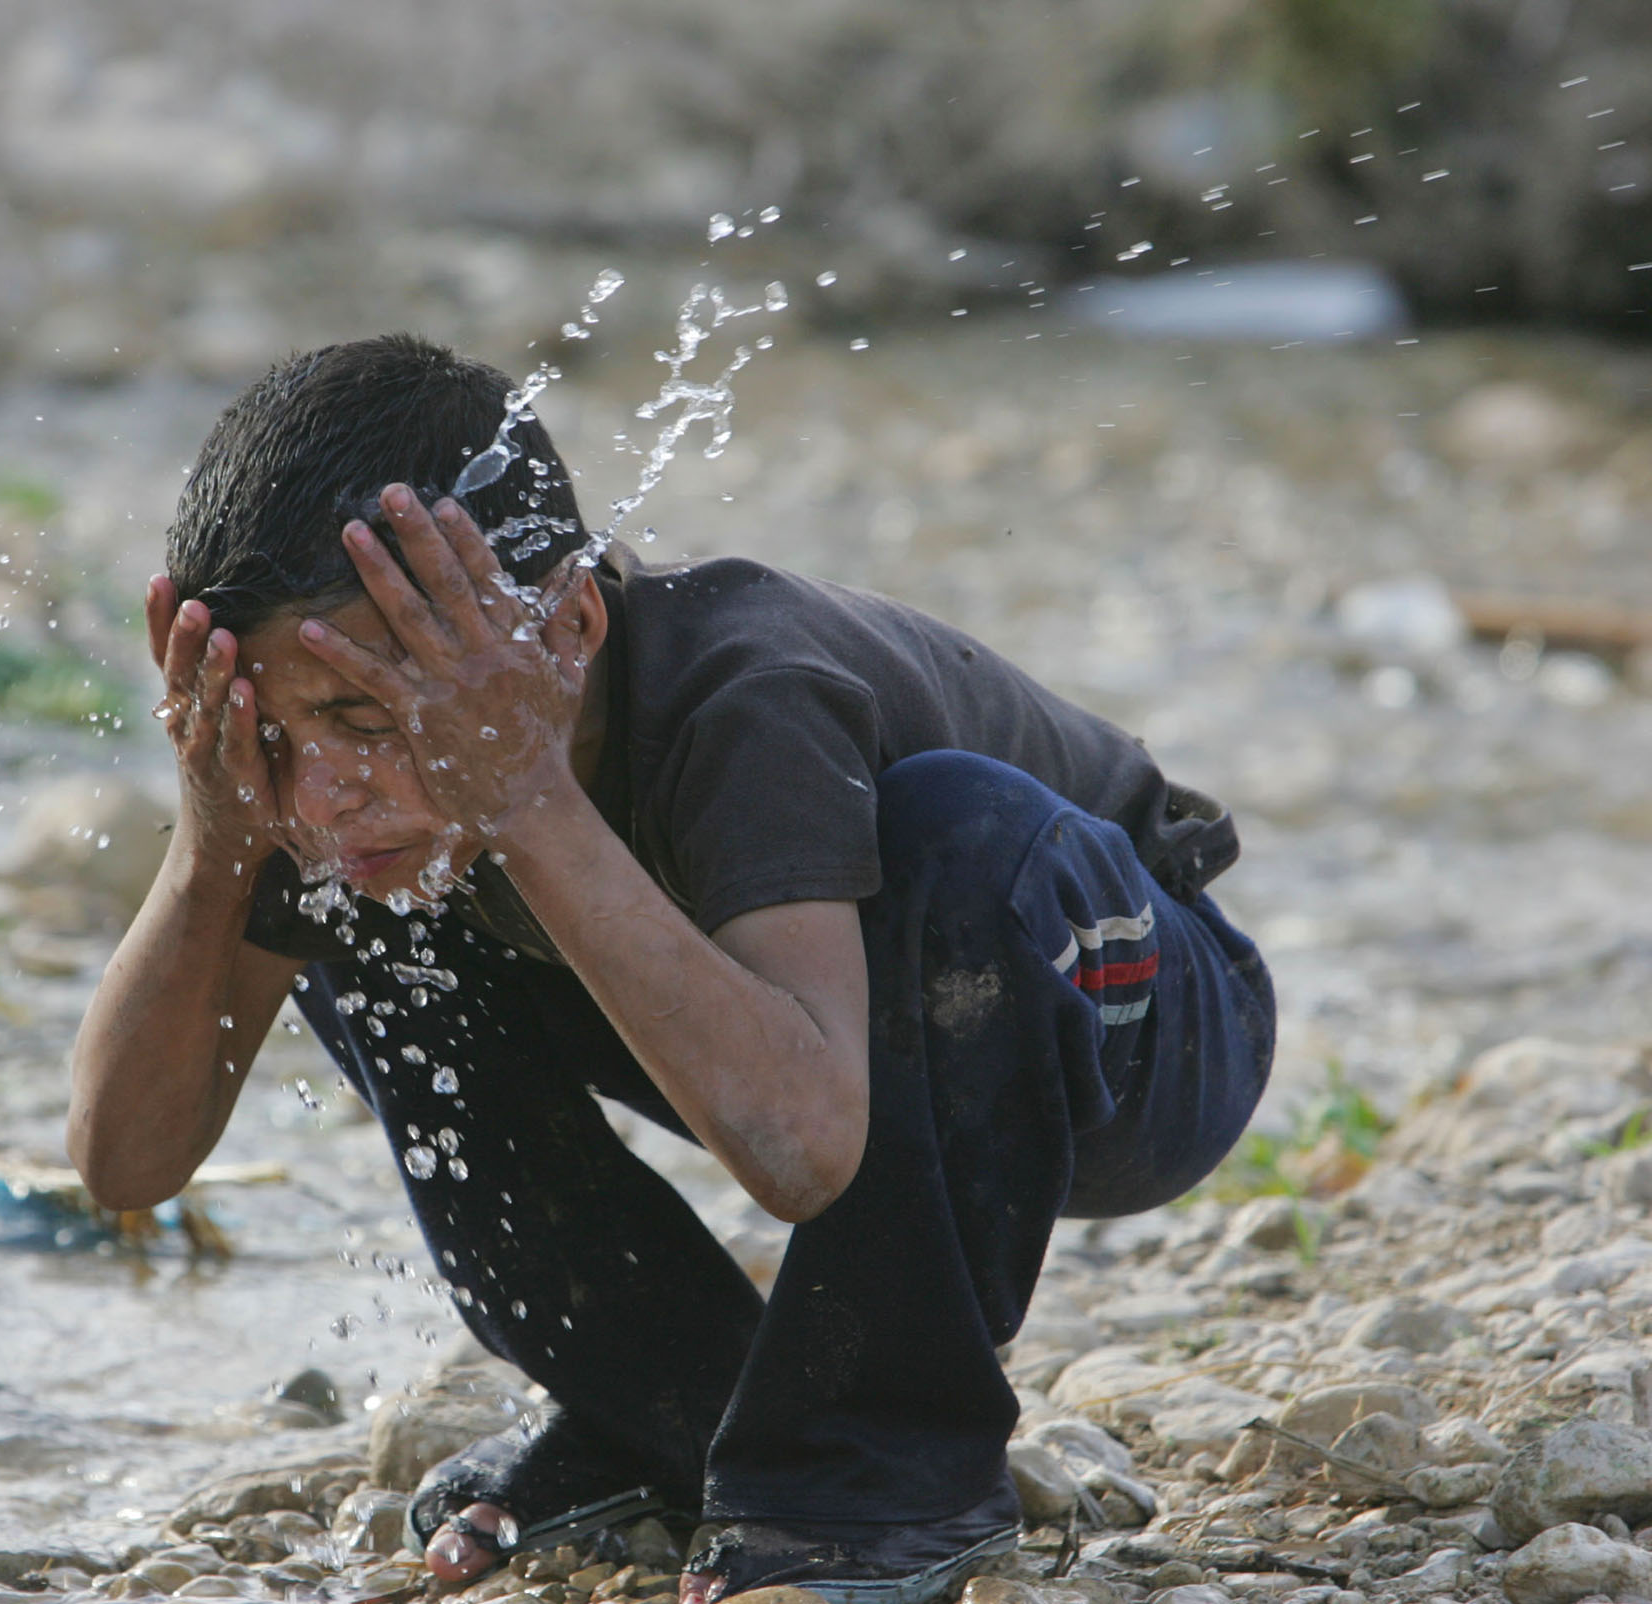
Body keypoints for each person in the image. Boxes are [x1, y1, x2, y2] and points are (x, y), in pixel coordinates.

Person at [68, 334, 1274, 1604]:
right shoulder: (343, 807)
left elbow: (804, 1148)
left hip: (1131, 1012)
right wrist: (220, 837)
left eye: (369, 719)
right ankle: (667, 1415)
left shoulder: (742, 697)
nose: (327, 787)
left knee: (955, 833)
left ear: (570, 626)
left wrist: (528, 799)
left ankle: (881, 1474)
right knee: (362, 897)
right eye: (275, 730)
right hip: (817, 1048)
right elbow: (127, 1162)